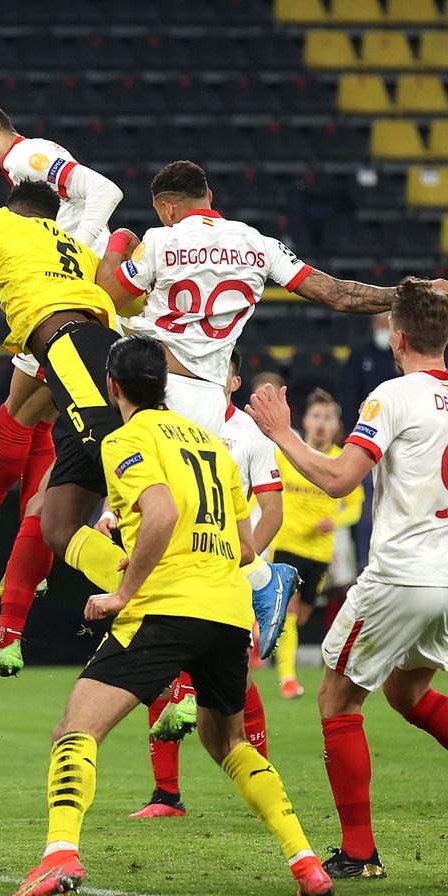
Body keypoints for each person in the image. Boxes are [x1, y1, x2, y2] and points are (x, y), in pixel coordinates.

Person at [95, 160, 448, 712]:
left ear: (167, 207)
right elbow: (338, 294)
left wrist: (119, 241)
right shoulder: (256, 244)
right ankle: (246, 591)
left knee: (138, 506)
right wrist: (409, 294)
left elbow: (109, 293)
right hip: (206, 395)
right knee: (193, 523)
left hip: (159, 387)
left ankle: (225, 603)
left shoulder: (158, 240)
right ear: (210, 196)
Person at [0, 336, 332, 896]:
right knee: (227, 741)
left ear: (112, 387)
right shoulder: (209, 443)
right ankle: (306, 862)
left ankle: (59, 854)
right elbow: (247, 542)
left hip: (166, 606)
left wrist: (122, 591)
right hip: (226, 609)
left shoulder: (125, 440)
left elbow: (163, 511)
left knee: (75, 729)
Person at [247, 279, 448, 882]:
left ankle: (359, 854)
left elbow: (338, 479)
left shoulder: (391, 396)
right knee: (407, 695)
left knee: (336, 699)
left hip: (398, 577)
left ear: (398, 336)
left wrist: (281, 433)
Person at [0, 104, 123, 685]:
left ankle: (245, 582)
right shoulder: (22, 175)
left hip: (71, 303)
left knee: (106, 454)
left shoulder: (25, 155)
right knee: (23, 421)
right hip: (69, 302)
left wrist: (68, 251)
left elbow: (105, 192)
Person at [132, 350, 285, 819]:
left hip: (229, 571)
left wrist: (244, 564)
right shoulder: (171, 426)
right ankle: (166, 795)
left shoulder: (250, 434)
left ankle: (260, 772)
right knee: (161, 667)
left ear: (233, 380)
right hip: (176, 562)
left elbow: (273, 511)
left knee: (228, 675)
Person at [270, 390, 364, 700]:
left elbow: (355, 507)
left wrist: (334, 522)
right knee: (291, 612)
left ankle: (261, 626)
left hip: (320, 552)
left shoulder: (342, 460)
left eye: (328, 417)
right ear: (306, 421)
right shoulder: (286, 455)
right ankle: (287, 678)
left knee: (303, 614)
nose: (322, 424)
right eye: (317, 416)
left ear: (337, 425)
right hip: (287, 545)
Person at [341, 315, 399, 414]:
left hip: (394, 413)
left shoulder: (401, 353)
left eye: (387, 325)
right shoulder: (359, 352)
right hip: (364, 414)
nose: (384, 329)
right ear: (373, 325)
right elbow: (350, 390)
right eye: (380, 324)